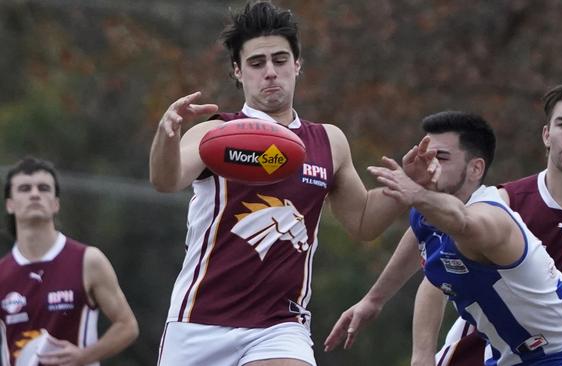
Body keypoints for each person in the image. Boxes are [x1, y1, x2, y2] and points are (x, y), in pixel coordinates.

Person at [148, 2, 429, 365]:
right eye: (256, 63)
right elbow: (165, 180)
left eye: (280, 60)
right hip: (200, 322)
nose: (270, 72)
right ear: (237, 71)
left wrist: (408, 183)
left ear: (298, 64)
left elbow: (363, 222)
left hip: (279, 326)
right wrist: (166, 134)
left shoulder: (329, 141)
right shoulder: (215, 133)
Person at [325, 81, 562, 365]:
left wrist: (417, 195)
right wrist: (377, 302)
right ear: (547, 135)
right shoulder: (505, 201)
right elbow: (433, 250)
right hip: (487, 342)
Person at [425, 80, 562, 366]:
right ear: (546, 134)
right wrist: (421, 354)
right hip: (477, 353)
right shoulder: (502, 203)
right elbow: (438, 275)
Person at [368, 111, 562, 364]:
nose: (430, 165)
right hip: (510, 357)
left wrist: (416, 192)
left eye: (441, 157)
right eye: (425, 156)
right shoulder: (427, 215)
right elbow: (420, 243)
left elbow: (462, 222)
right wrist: (373, 300)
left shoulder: (491, 216)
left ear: (475, 168)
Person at [0, 157, 139, 366]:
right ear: (10, 204)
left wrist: (84, 356)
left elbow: (127, 326)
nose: (35, 194)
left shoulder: (88, 261)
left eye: (44, 188)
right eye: (25, 188)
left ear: (56, 204)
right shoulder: (2, 272)